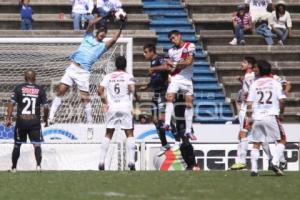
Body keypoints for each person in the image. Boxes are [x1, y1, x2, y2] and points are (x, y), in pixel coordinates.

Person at [48, 16, 125, 125]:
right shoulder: (88, 36)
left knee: (85, 98)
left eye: (105, 32)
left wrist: (121, 27)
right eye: (101, 31)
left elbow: (114, 40)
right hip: (72, 67)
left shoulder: (102, 46)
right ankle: (50, 117)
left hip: (83, 72)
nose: (103, 33)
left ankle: (89, 122)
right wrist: (104, 15)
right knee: (61, 90)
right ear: (97, 31)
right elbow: (91, 23)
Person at [246, 60, 286, 176]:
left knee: (256, 143)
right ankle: (274, 162)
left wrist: (249, 118)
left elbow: (249, 103)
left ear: (260, 69)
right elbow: (282, 100)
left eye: (256, 68)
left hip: (257, 117)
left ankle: (254, 170)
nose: (254, 69)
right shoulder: (275, 83)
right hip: (270, 115)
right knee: (282, 140)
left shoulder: (255, 84)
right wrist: (281, 113)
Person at [97, 56, 136, 170]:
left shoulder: (108, 76)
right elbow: (132, 89)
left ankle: (101, 161)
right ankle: (132, 161)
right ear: (125, 65)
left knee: (108, 133)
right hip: (125, 106)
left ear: (115, 65)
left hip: (112, 107)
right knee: (129, 133)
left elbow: (99, 90)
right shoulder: (129, 76)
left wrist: (105, 102)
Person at [6, 70, 49, 172]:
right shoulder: (40, 90)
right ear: (35, 78)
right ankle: (38, 166)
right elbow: (46, 107)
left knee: (17, 144)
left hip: (22, 121)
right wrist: (46, 119)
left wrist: (9, 118)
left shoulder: (19, 88)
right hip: (35, 121)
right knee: (37, 144)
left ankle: (14, 168)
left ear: (25, 78)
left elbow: (11, 104)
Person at [164, 30, 196, 141]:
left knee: (189, 104)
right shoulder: (171, 51)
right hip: (175, 78)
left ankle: (188, 131)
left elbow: (189, 62)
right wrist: (168, 73)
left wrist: (173, 64)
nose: (173, 40)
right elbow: (170, 67)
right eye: (171, 39)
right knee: (169, 98)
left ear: (179, 36)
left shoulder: (190, 46)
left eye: (173, 37)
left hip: (187, 79)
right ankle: (167, 123)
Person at [141, 44, 171, 155]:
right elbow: (156, 77)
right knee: (155, 120)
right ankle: (165, 144)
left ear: (152, 52)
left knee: (161, 119)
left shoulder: (159, 59)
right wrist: (148, 86)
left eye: (145, 52)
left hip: (163, 93)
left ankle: (177, 136)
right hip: (156, 94)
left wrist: (153, 69)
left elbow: (167, 67)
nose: (144, 55)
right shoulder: (152, 62)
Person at [230, 57, 256, 170]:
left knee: (243, 134)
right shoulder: (248, 76)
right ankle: (240, 161)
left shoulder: (250, 75)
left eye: (244, 62)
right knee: (242, 135)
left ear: (250, 65)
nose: (241, 64)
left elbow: (253, 90)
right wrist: (241, 81)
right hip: (246, 107)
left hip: (250, 108)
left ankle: (242, 161)